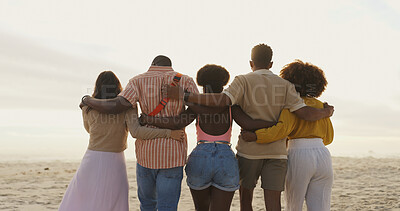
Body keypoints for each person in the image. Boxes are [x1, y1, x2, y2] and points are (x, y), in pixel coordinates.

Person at [164, 44, 334, 211]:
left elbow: (222, 101)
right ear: (271, 64)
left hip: (248, 152)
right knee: (274, 205)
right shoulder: (285, 85)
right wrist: (325, 112)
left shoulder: (243, 80)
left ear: (251, 63)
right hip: (277, 153)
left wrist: (185, 96)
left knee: (246, 201)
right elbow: (305, 113)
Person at [140, 64, 276, 211]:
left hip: (200, 158)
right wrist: (274, 122)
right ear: (224, 84)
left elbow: (176, 123)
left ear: (202, 85)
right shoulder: (231, 106)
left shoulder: (195, 105)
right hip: (226, 159)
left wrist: (148, 119)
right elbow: (249, 123)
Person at [80, 56, 199, 211]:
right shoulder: (186, 80)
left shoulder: (137, 81)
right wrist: (177, 122)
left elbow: (117, 105)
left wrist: (88, 100)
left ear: (153, 64)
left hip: (146, 154)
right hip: (173, 153)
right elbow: (197, 108)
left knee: (147, 205)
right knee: (168, 207)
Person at [59, 71, 184, 211]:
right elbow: (137, 132)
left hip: (91, 158)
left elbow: (89, 130)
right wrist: (168, 133)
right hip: (115, 160)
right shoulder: (127, 106)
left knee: (86, 198)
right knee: (113, 200)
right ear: (118, 86)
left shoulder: (87, 107)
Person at [241, 60, 334, 211]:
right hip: (323, 155)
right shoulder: (322, 107)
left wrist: (256, 136)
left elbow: (281, 130)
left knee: (293, 205)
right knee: (321, 206)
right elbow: (329, 138)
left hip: (299, 153)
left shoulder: (292, 105)